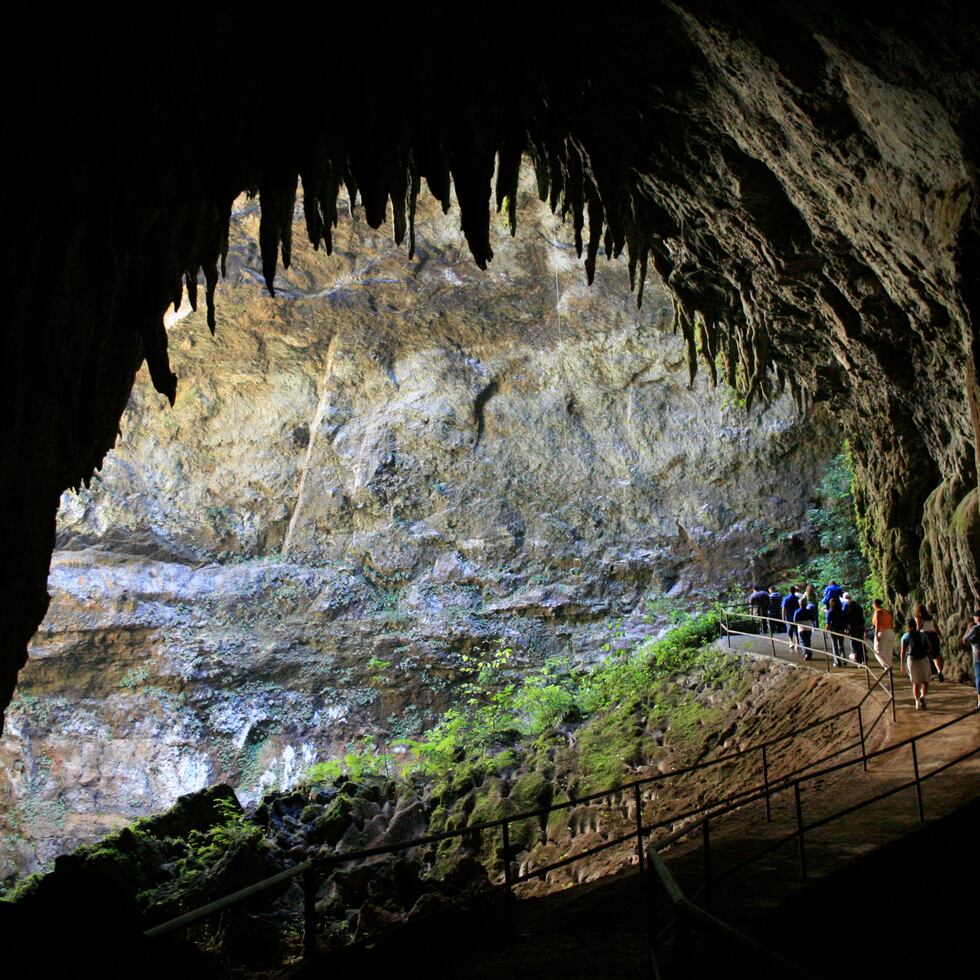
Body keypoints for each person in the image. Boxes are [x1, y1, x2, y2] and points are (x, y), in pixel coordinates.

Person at [901, 617, 931, 709]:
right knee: (925, 682)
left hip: (912, 660)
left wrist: (902, 665)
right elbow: (930, 647)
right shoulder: (923, 635)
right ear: (916, 625)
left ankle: (917, 702)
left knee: (915, 683)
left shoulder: (905, 636)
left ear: (908, 626)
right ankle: (922, 697)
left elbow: (902, 652)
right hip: (922, 659)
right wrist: (925, 653)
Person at [914, 603, 944, 681]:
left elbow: (918, 629)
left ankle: (929, 675)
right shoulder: (931, 618)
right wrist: (942, 639)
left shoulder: (918, 618)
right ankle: (939, 671)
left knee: (926, 656)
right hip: (934, 636)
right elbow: (937, 629)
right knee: (935, 656)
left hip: (925, 636)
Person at [962, 610, 980, 709]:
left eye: (974, 617)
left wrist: (972, 642)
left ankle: (979, 702)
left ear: (977, 618)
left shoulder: (974, 628)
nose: (973, 618)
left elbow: (964, 639)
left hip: (978, 657)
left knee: (978, 678)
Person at [871, 599, 895, 670]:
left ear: (875, 604)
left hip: (882, 632)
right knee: (888, 651)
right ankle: (887, 668)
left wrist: (876, 633)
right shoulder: (886, 611)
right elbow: (891, 622)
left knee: (877, 651)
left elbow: (878, 623)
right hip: (890, 631)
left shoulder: (878, 611)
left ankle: (887, 666)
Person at [826, 596, 847, 666]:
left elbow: (828, 623)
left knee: (835, 646)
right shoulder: (842, 611)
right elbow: (845, 621)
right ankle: (844, 659)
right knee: (841, 645)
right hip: (841, 629)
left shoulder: (830, 612)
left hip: (834, 630)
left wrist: (826, 631)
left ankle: (837, 662)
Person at [846, 594, 865, 663]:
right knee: (861, 643)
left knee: (855, 645)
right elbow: (863, 620)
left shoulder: (849, 612)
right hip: (860, 628)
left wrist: (847, 629)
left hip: (853, 630)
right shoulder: (859, 611)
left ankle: (858, 659)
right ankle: (864, 658)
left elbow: (847, 621)